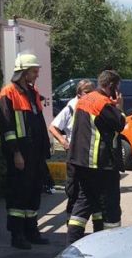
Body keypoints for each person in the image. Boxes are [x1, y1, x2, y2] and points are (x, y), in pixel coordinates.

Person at [0, 53, 51, 249]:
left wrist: (45, 149)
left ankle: (32, 230)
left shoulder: (31, 92)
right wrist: (15, 152)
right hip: (20, 154)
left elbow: (38, 123)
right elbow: (7, 127)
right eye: (34, 71)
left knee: (34, 191)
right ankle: (17, 235)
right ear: (23, 72)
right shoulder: (8, 93)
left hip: (35, 153)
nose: (37, 75)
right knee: (18, 193)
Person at [66, 70, 126, 242]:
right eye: (117, 87)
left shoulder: (84, 100)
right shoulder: (103, 103)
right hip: (102, 164)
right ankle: (110, 243)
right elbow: (120, 124)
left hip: (82, 163)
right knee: (111, 206)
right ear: (111, 86)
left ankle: (71, 244)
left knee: (83, 204)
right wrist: (119, 107)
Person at [48, 79, 94, 217]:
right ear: (79, 94)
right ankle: (71, 222)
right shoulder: (72, 107)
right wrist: (64, 142)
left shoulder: (91, 104)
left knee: (88, 189)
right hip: (74, 153)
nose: (90, 95)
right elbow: (53, 127)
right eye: (87, 92)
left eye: (92, 92)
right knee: (73, 188)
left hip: (88, 152)